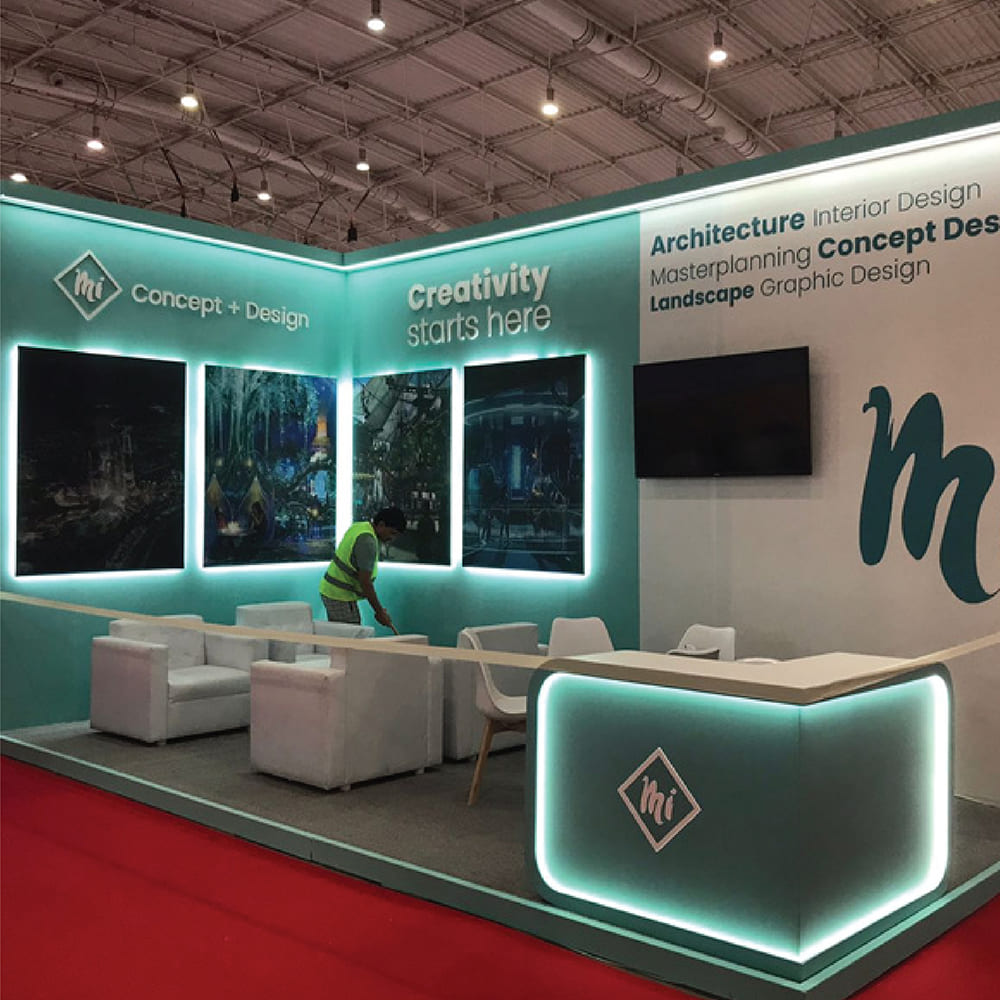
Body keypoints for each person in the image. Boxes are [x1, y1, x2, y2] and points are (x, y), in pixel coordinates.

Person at [319, 507, 406, 628]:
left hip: (336, 591)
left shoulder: (360, 527)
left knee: (352, 633)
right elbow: (365, 583)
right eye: (392, 533)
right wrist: (379, 612)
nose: (392, 538)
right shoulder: (367, 542)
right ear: (381, 525)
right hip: (338, 594)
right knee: (351, 637)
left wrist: (379, 611)